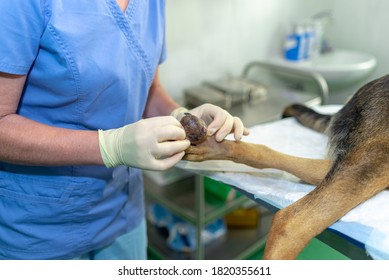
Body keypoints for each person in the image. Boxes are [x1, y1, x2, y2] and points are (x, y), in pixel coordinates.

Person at [0, 0, 249, 259]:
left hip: (122, 211)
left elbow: (148, 91)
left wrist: (183, 116)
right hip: (38, 226)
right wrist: (110, 146)